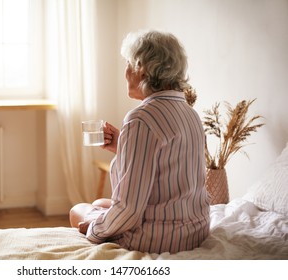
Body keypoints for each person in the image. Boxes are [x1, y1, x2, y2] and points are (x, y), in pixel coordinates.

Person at [69, 30, 210, 254]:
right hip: (195, 230)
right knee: (100, 203)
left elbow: (129, 208)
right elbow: (170, 165)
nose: (125, 72)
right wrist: (122, 147)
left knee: (79, 209)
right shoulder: (189, 113)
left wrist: (94, 230)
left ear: (141, 68)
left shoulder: (141, 118)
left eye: (127, 63)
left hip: (160, 238)